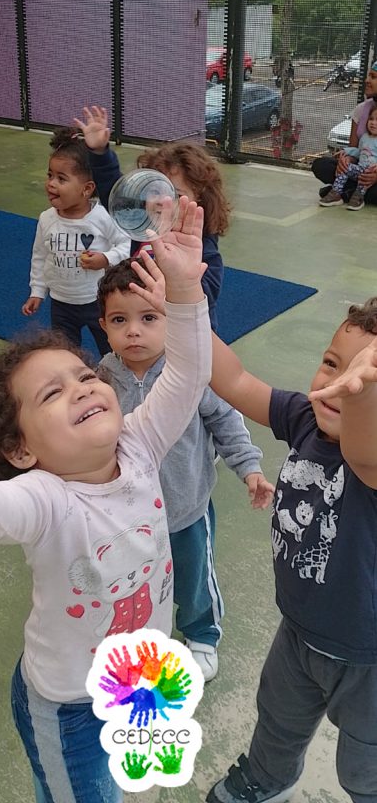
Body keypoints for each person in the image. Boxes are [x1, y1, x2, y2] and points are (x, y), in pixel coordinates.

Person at [0, 199, 212, 803]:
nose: (82, 388)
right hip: (71, 704)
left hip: (143, 673)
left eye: (85, 376)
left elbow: (187, 375)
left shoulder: (139, 444)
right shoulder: (46, 500)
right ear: (21, 449)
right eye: (52, 393)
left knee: (141, 771)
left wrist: (185, 293)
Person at [205, 297, 377, 803]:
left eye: (364, 382)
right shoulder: (305, 418)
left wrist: (363, 394)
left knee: (365, 766)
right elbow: (235, 380)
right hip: (298, 629)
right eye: (332, 363)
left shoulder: (371, 463)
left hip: (367, 659)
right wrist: (182, 301)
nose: (340, 384)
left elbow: (363, 449)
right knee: (277, 719)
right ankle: (267, 779)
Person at [96, 254, 273, 682]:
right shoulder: (103, 374)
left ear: (171, 319)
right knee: (136, 579)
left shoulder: (189, 371)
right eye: (119, 320)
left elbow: (226, 419)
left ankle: (202, 634)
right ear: (103, 326)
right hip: (130, 516)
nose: (133, 330)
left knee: (194, 579)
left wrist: (249, 467)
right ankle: (137, 633)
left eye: (148, 318)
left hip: (185, 508)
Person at [73, 105, 230, 332]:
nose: (162, 201)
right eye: (155, 190)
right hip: (142, 327)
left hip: (183, 334)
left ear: (200, 202)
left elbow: (208, 292)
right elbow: (113, 192)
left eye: (176, 195)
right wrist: (99, 152)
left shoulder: (200, 245)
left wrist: (178, 285)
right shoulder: (145, 226)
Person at [21, 127, 130, 357]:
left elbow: (127, 245)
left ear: (86, 189)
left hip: (97, 301)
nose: (51, 184)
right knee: (65, 353)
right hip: (61, 304)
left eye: (61, 179)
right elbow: (40, 256)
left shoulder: (102, 217)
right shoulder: (47, 219)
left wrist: (106, 259)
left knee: (111, 350)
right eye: (50, 175)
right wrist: (37, 291)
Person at [312, 63, 377, 206]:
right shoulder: (361, 110)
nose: (366, 80)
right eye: (368, 76)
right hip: (359, 169)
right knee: (321, 165)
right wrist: (346, 160)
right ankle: (354, 192)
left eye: (373, 77)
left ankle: (344, 191)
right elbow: (354, 150)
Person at [319, 103, 377, 210]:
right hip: (359, 169)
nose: (373, 123)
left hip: (370, 174)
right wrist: (345, 153)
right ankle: (336, 193)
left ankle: (355, 195)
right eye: (371, 119)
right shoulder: (364, 137)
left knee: (366, 179)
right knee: (338, 167)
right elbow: (359, 152)